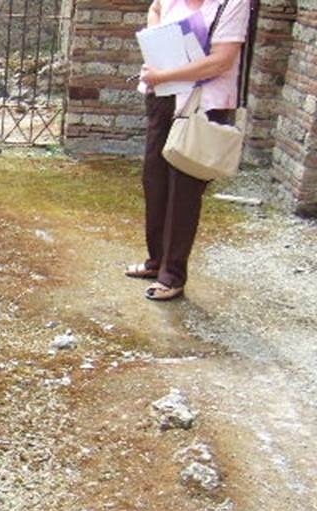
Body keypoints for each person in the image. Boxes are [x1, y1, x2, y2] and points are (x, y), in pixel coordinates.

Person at [126, 0, 251, 301]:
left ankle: (173, 275)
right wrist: (157, 43)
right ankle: (156, 260)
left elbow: (221, 61)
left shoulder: (233, 3)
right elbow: (156, 8)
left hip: (202, 105)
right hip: (162, 96)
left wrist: (165, 74)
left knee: (183, 190)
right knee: (154, 180)